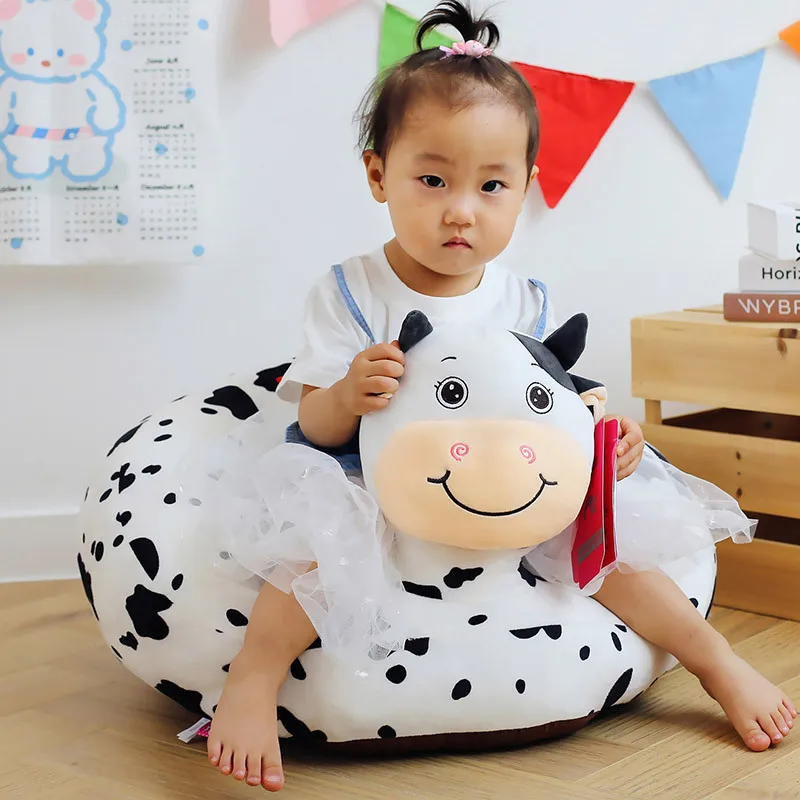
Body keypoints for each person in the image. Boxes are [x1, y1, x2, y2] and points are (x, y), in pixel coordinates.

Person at [206, 1, 795, 791]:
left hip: (512, 485)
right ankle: (253, 680)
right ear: (378, 175)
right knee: (317, 551)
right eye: (432, 180)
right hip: (379, 481)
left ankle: (715, 661)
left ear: (525, 190)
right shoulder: (349, 292)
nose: (461, 209)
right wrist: (348, 392)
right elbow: (312, 423)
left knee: (611, 551)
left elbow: (568, 407)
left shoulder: (526, 303)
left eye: (491, 185)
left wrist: (609, 441)